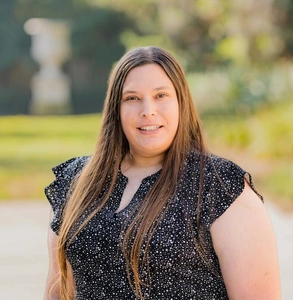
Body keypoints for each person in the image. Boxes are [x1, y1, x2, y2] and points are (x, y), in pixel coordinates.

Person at [43, 46, 281, 300]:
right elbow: (57, 289)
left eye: (161, 95)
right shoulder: (76, 179)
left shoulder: (220, 187)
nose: (148, 110)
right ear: (116, 109)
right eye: (132, 98)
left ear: (181, 102)